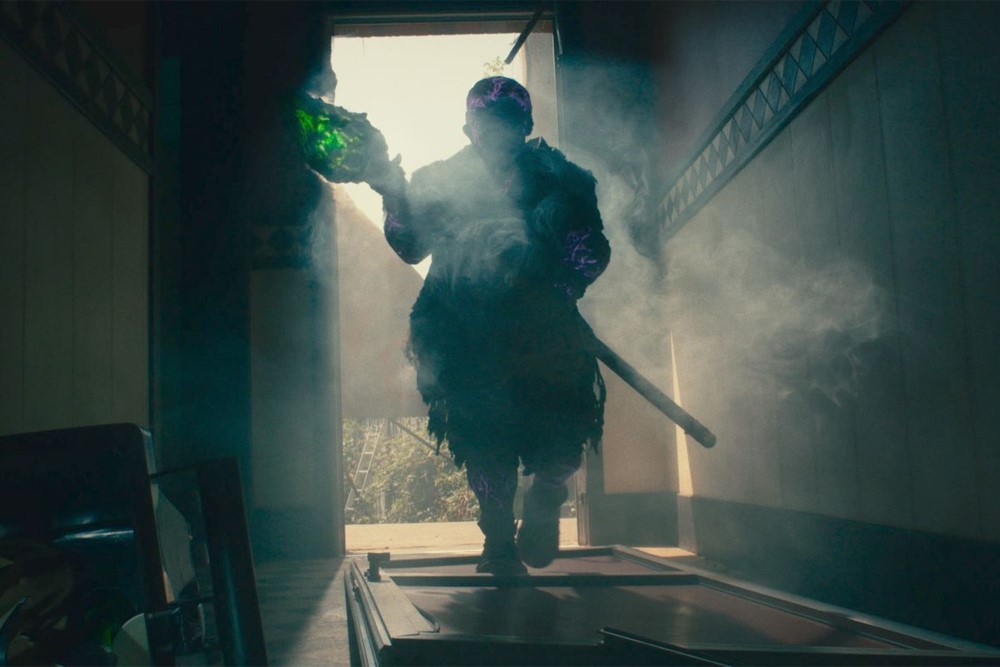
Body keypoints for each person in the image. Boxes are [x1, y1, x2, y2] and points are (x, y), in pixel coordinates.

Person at [365, 76, 611, 574]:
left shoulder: (562, 179)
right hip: (464, 332)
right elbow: (411, 246)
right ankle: (498, 539)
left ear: (525, 125)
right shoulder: (438, 181)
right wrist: (393, 195)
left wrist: (550, 277)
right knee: (484, 440)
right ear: (468, 128)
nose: (496, 131)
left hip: (543, 333)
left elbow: (591, 254)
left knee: (562, 439)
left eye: (507, 121)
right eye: (486, 122)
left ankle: (546, 497)